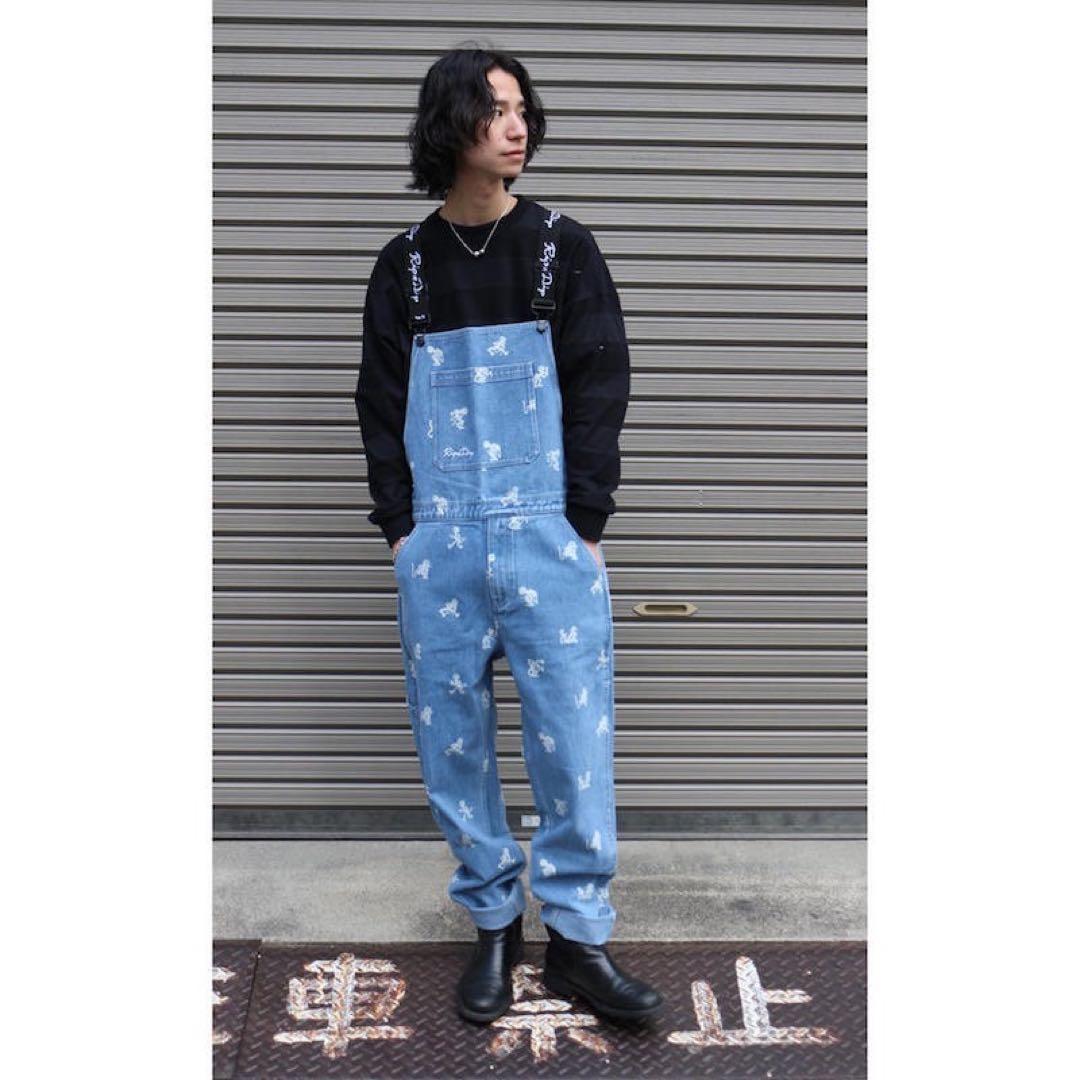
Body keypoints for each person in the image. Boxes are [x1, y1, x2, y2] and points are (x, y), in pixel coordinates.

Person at [355, 46, 663, 1026]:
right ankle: (493, 924)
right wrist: (402, 531)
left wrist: (585, 520)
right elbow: (378, 405)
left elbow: (602, 382)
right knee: (451, 743)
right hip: (439, 545)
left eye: (523, 108)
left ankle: (577, 939)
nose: (518, 125)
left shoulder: (561, 249)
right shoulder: (405, 267)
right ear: (449, 124)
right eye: (495, 110)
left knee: (573, 740)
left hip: (547, 540)